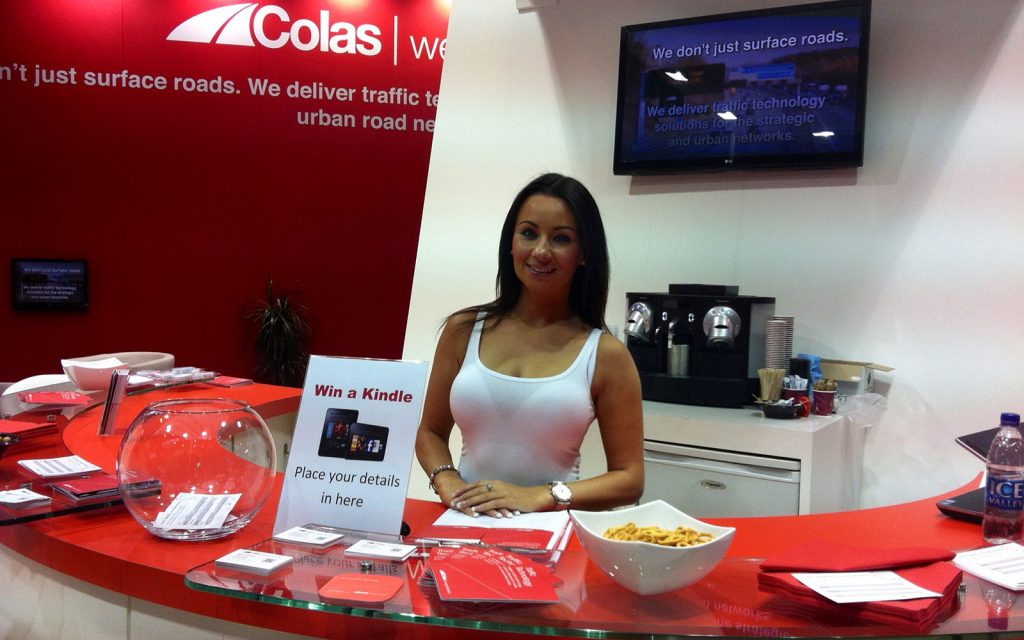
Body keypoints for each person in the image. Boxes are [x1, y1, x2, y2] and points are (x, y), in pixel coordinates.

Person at [415, 173, 644, 518]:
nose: (540, 251)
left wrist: (539, 495)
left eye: (561, 238)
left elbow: (629, 479)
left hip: (550, 533)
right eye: (528, 233)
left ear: (584, 253)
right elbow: (430, 432)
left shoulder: (606, 355)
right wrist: (446, 478)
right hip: (463, 524)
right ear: (511, 242)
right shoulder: (463, 329)